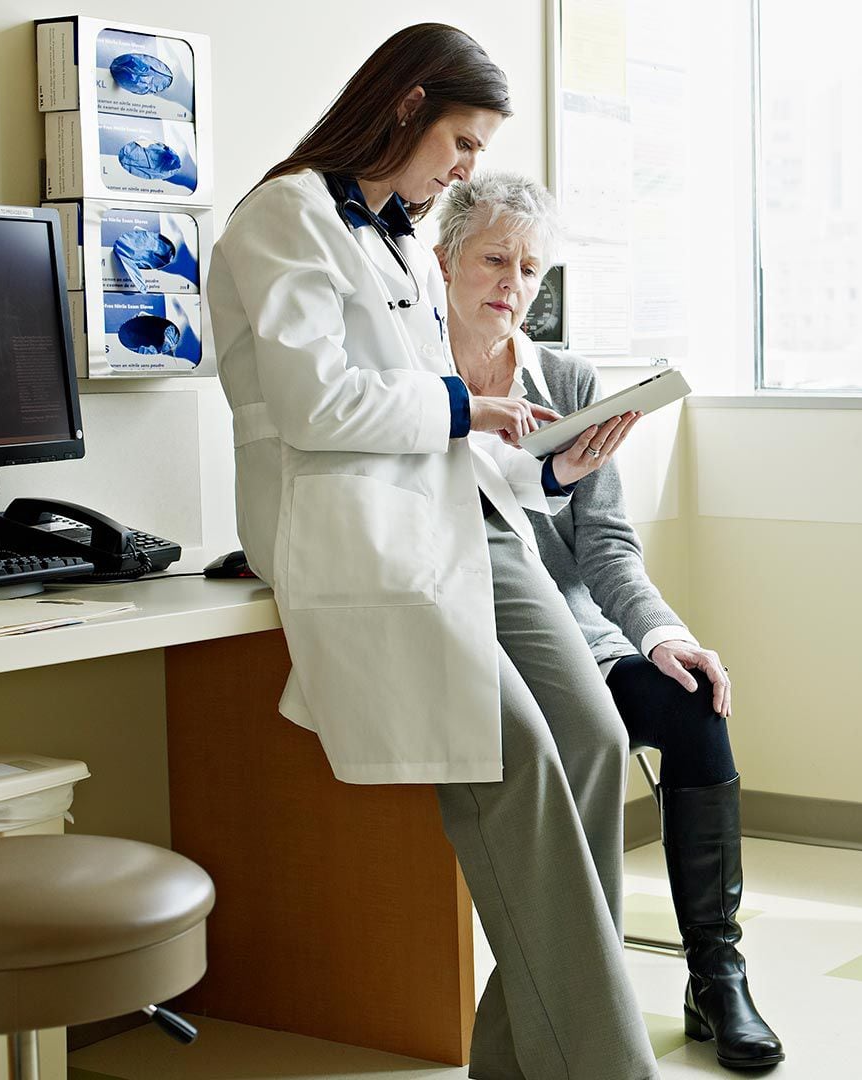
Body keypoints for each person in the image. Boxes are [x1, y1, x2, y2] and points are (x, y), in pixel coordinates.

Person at [207, 25, 660, 1079]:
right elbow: (320, 406)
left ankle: (520, 1056)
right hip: (358, 532)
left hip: (469, 516)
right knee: (515, 759)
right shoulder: (284, 216)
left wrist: (552, 469)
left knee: (594, 739)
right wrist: (468, 405)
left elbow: (437, 429)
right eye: (463, 142)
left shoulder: (399, 240)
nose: (465, 169)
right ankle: (605, 1065)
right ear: (406, 105)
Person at [434, 172, 784, 1070]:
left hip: (580, 638)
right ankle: (582, 1015)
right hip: (476, 637)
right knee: (574, 748)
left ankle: (717, 975)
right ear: (443, 260)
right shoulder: (415, 380)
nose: (512, 284)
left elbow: (607, 546)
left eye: (529, 268)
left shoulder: (566, 379)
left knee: (695, 698)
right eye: (494, 259)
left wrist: (665, 635)